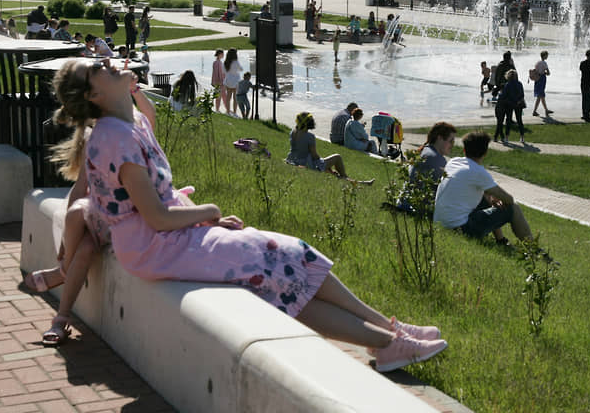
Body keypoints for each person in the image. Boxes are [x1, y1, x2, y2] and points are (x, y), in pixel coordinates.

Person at [52, 62, 439, 371]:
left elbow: (157, 195)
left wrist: (203, 221)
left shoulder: (127, 123)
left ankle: (387, 330)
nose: (108, 61)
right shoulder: (114, 139)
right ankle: (389, 343)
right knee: (279, 262)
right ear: (94, 94)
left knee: (293, 256)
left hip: (168, 237)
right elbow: (153, 216)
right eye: (98, 67)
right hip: (156, 244)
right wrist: (209, 212)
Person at [24, 64, 156, 345]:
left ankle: (61, 275)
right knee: (80, 241)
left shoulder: (132, 126)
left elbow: (150, 117)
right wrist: (65, 244)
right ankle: (61, 317)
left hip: (128, 215)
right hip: (105, 217)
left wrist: (134, 91)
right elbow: (81, 187)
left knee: (80, 232)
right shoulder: (98, 137)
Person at [434, 131, 534, 247]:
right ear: (485, 153)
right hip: (462, 229)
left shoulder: (453, 162)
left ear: (464, 150)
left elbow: (469, 184)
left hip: (440, 223)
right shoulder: (479, 172)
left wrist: (490, 196)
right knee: (513, 208)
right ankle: (533, 250)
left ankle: (500, 240)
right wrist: (495, 197)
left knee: (484, 196)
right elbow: (509, 199)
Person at [287, 112, 374, 186]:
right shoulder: (310, 137)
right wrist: (325, 166)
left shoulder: (293, 132)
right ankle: (348, 179)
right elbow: (315, 156)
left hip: (293, 160)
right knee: (337, 157)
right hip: (307, 164)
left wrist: (326, 167)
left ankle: (355, 181)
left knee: (330, 170)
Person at [494, 70, 525, 144]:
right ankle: (522, 137)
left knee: (508, 121)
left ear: (508, 76)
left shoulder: (508, 84)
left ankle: (507, 137)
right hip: (518, 104)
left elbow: (504, 95)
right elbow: (522, 95)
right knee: (519, 120)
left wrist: (499, 94)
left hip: (510, 104)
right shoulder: (520, 84)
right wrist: (518, 100)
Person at [531, 50, 553, 117]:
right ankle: (534, 111)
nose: (547, 56)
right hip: (542, 79)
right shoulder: (544, 63)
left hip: (537, 79)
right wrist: (545, 73)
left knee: (541, 96)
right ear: (544, 56)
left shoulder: (537, 62)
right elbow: (548, 73)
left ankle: (546, 110)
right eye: (547, 55)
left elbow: (536, 70)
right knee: (540, 96)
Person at [224, 47, 243, 116]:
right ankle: (234, 112)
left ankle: (228, 111)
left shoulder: (226, 62)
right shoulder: (236, 62)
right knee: (235, 98)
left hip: (228, 80)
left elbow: (224, 71)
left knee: (228, 97)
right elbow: (241, 69)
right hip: (236, 81)